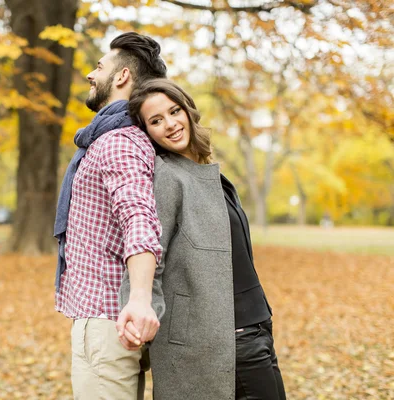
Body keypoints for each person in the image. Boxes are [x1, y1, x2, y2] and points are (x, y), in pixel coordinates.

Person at [119, 78, 287, 400]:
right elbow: (148, 252)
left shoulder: (211, 175)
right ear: (146, 131)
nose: (169, 124)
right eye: (156, 121)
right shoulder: (166, 177)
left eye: (174, 111)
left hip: (257, 327)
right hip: (221, 340)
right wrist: (139, 309)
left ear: (187, 110)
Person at [53, 33, 168, 399]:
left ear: (121, 77)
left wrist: (139, 299)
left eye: (99, 66)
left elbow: (139, 218)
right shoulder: (114, 138)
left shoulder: (119, 141)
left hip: (106, 318)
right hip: (103, 317)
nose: (90, 73)